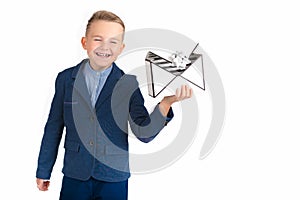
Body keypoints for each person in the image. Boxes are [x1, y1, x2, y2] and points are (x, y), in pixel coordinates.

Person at [36, 10, 193, 200]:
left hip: (113, 177)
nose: (105, 47)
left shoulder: (128, 84)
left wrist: (166, 104)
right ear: (85, 42)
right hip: (75, 173)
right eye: (98, 39)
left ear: (121, 48)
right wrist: (44, 170)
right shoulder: (65, 79)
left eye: (113, 41)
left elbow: (143, 133)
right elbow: (53, 127)